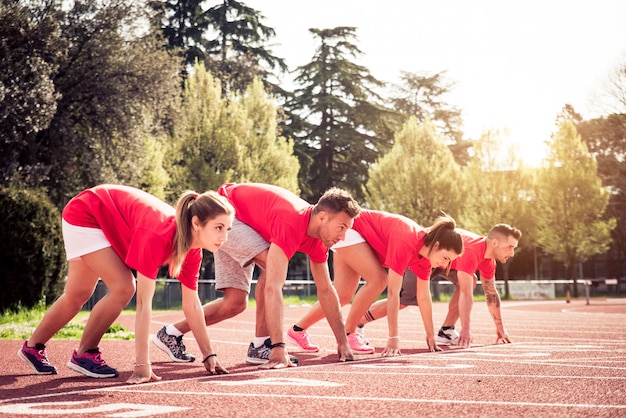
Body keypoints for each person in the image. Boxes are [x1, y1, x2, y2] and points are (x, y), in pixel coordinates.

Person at [18, 184, 234, 385]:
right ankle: (85, 352)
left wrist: (209, 354)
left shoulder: (192, 251)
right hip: (87, 212)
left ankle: (32, 348)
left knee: (77, 294)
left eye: (228, 229)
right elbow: (143, 304)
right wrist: (142, 366)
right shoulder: (158, 235)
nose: (224, 237)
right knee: (124, 287)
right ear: (196, 223)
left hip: (101, 218)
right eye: (218, 227)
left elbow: (192, 305)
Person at [153, 183, 361, 369]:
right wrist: (279, 347)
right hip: (227, 216)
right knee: (273, 267)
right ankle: (263, 344)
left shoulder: (318, 241)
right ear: (322, 217)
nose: (342, 236)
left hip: (248, 223)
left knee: (235, 303)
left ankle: (171, 333)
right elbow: (273, 286)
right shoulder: (291, 222)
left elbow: (326, 290)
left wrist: (342, 342)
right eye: (341, 228)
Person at [287, 211, 464, 356]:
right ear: (436, 245)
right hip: (350, 229)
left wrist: (431, 335)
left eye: (449, 262)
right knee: (379, 279)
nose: (444, 265)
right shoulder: (407, 240)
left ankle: (297, 330)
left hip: (358, 238)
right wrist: (393, 336)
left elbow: (424, 297)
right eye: (446, 258)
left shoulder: (424, 260)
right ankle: (349, 333)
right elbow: (393, 293)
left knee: (342, 294)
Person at [357, 224, 522, 349]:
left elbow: (491, 294)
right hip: (428, 255)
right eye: (510, 247)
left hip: (447, 262)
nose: (512, 253)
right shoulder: (472, 251)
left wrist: (500, 328)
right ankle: (357, 322)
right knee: (404, 301)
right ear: (494, 243)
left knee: (470, 280)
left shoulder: (488, 262)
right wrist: (466, 330)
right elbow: (465, 293)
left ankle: (446, 330)